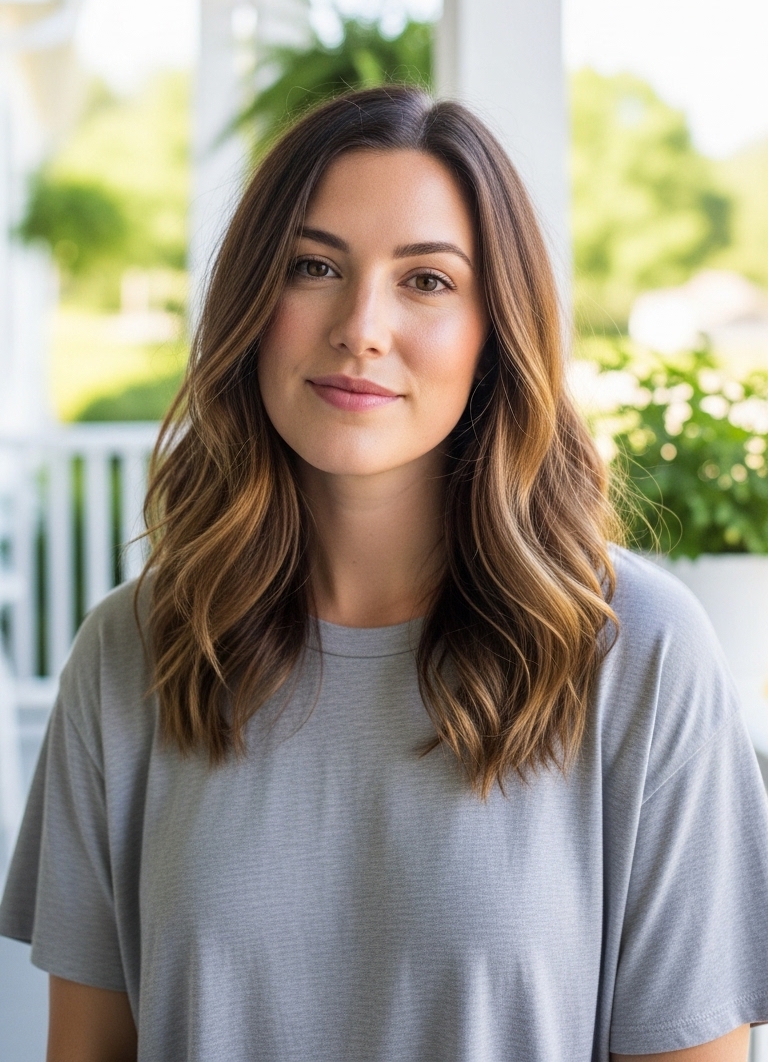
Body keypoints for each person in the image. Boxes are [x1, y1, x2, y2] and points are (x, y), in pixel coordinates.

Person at [1, 87, 767, 1062]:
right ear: (251, 305)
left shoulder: (641, 655)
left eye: (428, 281)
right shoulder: (132, 652)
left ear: (496, 330)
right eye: (313, 266)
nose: (361, 325)